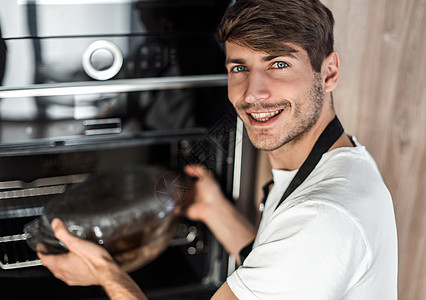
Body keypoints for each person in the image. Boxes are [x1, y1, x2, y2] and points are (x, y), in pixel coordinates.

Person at [38, 0, 398, 299]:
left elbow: (302, 244)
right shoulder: (340, 164)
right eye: (239, 67)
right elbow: (274, 267)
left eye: (279, 64)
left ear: (329, 72)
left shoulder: (323, 219)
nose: (252, 93)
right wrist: (212, 209)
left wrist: (103, 270)